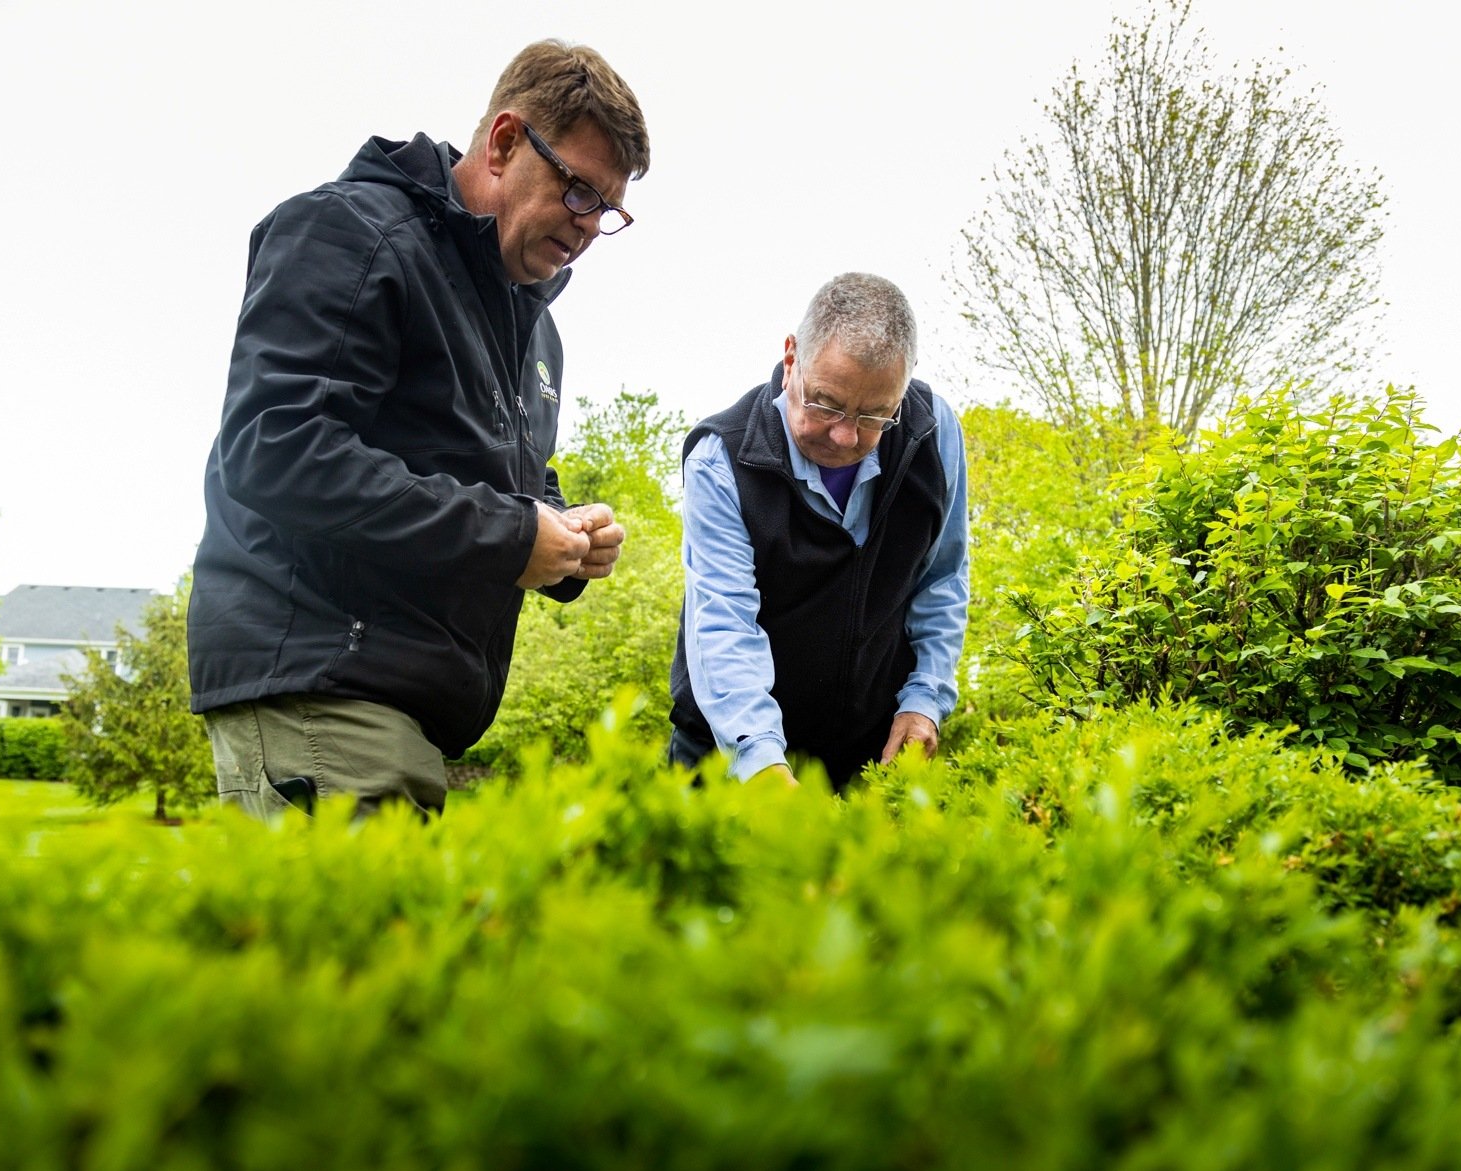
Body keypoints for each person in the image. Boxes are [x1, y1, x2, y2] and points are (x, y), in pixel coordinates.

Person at [188, 40, 650, 818]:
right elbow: (278, 449)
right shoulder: (352, 235)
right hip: (323, 687)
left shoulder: (531, 328)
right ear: (504, 143)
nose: (586, 229)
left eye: (608, 211)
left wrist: (562, 535)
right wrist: (511, 535)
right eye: (577, 191)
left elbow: (499, 482)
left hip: (399, 713)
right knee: (380, 942)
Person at [668, 273, 970, 789]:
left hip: (868, 757)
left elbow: (942, 580)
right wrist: (761, 763)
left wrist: (925, 699)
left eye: (876, 415)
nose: (847, 435)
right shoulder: (721, 461)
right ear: (791, 359)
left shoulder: (933, 433)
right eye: (826, 404)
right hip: (729, 756)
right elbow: (724, 627)